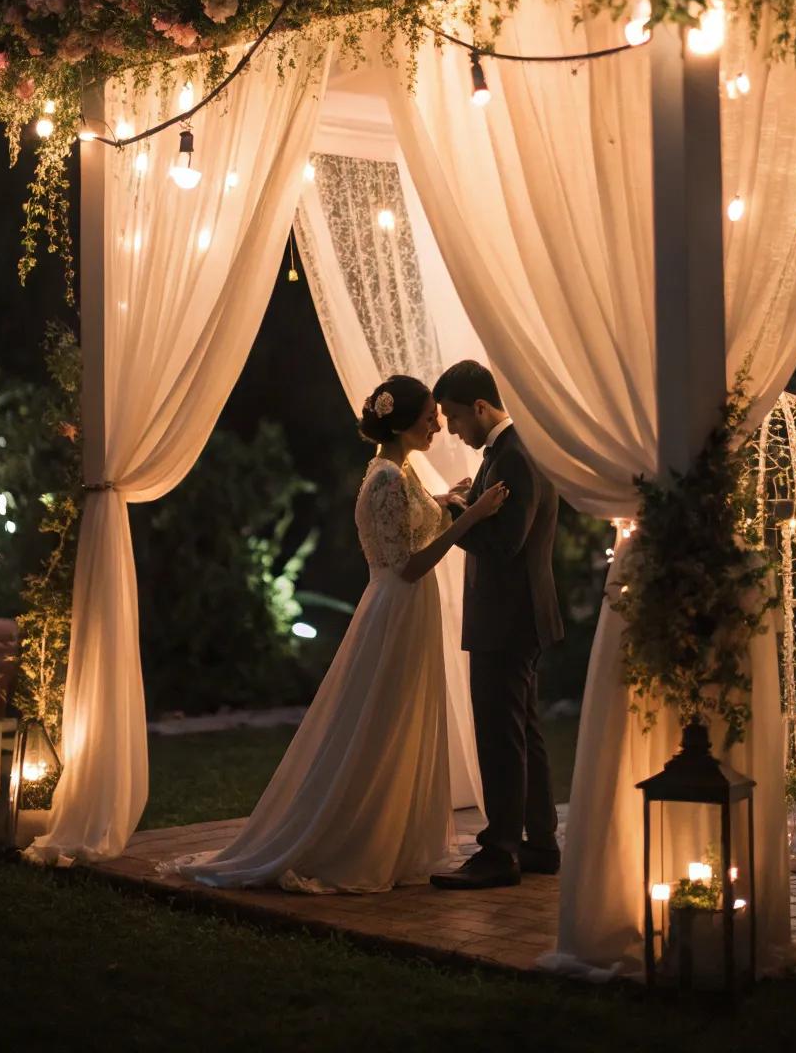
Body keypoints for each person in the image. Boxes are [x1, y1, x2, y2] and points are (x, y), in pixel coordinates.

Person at [173, 374, 507, 894]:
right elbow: (409, 565)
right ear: (402, 423)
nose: (438, 426)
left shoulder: (396, 471)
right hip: (396, 611)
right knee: (380, 721)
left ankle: (386, 835)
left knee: (398, 721)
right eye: (428, 419)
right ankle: (354, 838)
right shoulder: (387, 479)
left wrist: (445, 503)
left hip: (409, 612)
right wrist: (473, 517)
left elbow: (412, 526)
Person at [430, 360, 563, 890]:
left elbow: (504, 543)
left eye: (455, 417)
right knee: (523, 731)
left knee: (500, 735)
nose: (453, 429)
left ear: (481, 407)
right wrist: (469, 503)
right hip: (518, 614)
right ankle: (540, 844)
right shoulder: (512, 451)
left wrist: (453, 514)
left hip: (508, 616)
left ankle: (500, 851)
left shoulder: (515, 456)